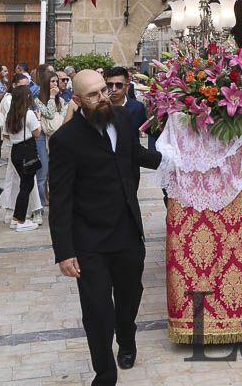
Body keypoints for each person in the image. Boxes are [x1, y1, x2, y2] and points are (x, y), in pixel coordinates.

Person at [49, 69, 163, 386]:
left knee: (129, 296)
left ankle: (127, 338)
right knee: (98, 311)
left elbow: (134, 153)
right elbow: (60, 199)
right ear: (78, 100)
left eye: (105, 91)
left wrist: (172, 161)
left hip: (127, 230)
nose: (103, 98)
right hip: (90, 240)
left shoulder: (123, 118)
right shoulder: (65, 140)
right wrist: (64, 251)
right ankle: (105, 373)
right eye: (94, 95)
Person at [3, 84, 42, 232]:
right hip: (27, 150)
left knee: (24, 184)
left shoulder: (10, 115)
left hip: (15, 150)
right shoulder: (29, 114)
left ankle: (16, 218)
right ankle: (19, 220)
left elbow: (5, 134)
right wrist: (38, 120)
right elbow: (37, 133)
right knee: (26, 186)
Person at [36, 71, 68, 216]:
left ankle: (56, 203)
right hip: (43, 139)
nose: (56, 84)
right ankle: (40, 205)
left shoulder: (60, 100)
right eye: (53, 81)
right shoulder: (38, 99)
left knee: (56, 174)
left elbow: (61, 117)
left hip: (57, 139)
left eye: (57, 81)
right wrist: (51, 97)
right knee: (43, 173)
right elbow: (48, 113)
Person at [105, 67, 146, 142]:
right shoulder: (100, 107)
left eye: (119, 85)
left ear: (127, 86)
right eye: (110, 85)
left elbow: (151, 131)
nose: (113, 89)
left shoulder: (137, 108)